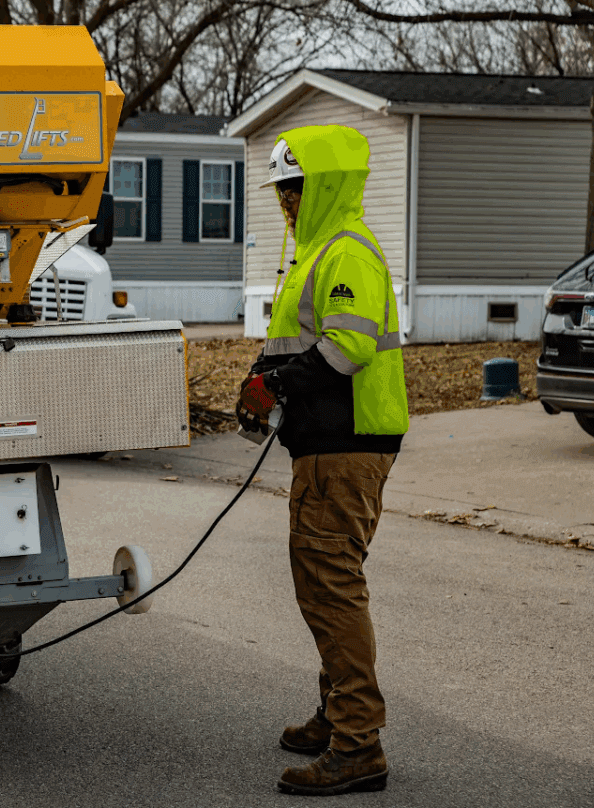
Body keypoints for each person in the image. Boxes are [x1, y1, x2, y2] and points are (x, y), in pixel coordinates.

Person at [237, 125, 409, 796]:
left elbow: (348, 344)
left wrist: (277, 385)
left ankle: (358, 742)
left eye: (294, 190)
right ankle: (337, 712)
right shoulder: (314, 255)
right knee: (321, 583)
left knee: (331, 585)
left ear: (324, 187)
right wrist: (260, 381)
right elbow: (297, 342)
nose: (285, 203)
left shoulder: (347, 252)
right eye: (282, 192)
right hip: (323, 444)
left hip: (348, 444)